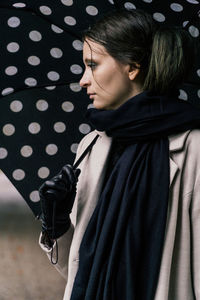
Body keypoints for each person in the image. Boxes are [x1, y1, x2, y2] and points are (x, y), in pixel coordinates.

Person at [38, 8, 200, 300]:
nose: (83, 80)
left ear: (132, 68)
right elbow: (80, 268)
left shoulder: (193, 148)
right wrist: (57, 223)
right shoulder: (93, 144)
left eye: (93, 65)